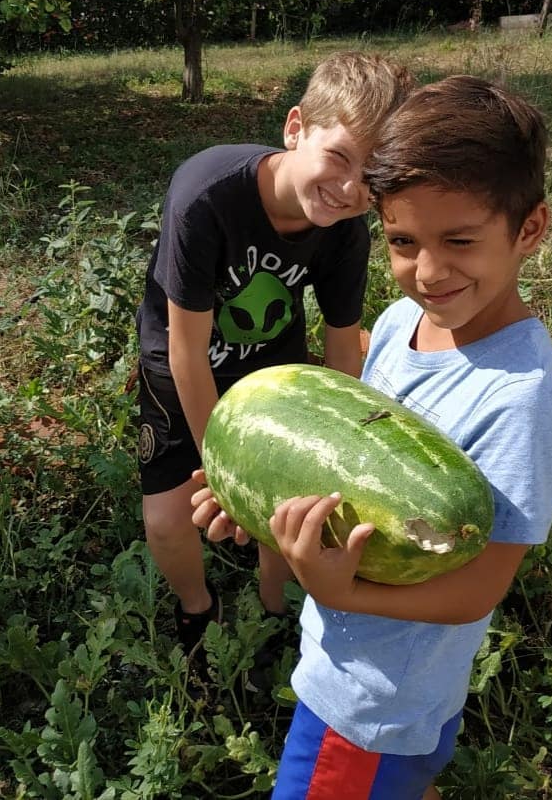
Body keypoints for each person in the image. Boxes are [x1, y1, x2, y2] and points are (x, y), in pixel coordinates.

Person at [192, 74, 552, 798]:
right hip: (355, 671)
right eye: (402, 241)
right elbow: (359, 465)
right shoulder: (403, 325)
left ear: (529, 229)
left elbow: (477, 589)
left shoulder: (522, 400)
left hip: (372, 707)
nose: (427, 271)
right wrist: (260, 507)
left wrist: (338, 590)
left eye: (459, 240)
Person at [135, 51, 415, 654]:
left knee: (285, 509)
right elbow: (186, 349)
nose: (348, 188)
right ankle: (197, 609)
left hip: (274, 363)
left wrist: (351, 446)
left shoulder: (344, 229)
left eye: (371, 176)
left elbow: (343, 345)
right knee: (167, 519)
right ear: (295, 128)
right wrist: (222, 463)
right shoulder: (205, 195)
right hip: (181, 361)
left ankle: (273, 610)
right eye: (338, 157)